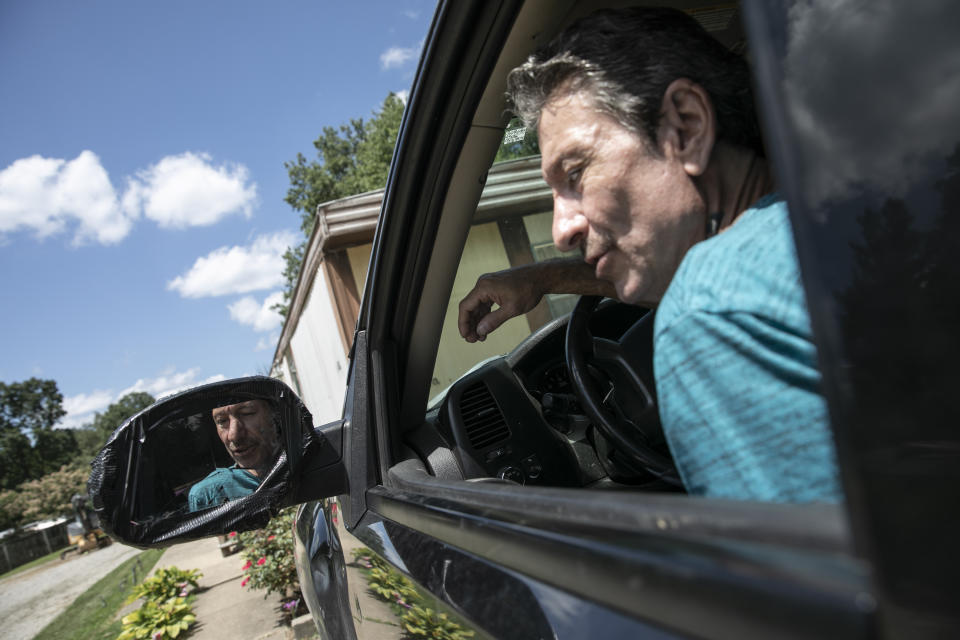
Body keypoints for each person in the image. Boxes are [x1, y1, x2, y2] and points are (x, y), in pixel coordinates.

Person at [458, 7, 840, 503]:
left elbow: (797, 577)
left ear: (685, 126)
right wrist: (545, 278)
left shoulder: (707, 313)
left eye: (575, 174)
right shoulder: (833, 223)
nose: (562, 229)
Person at [188, 398, 281, 511]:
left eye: (246, 413)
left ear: (275, 416)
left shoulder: (304, 464)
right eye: (222, 421)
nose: (234, 435)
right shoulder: (208, 495)